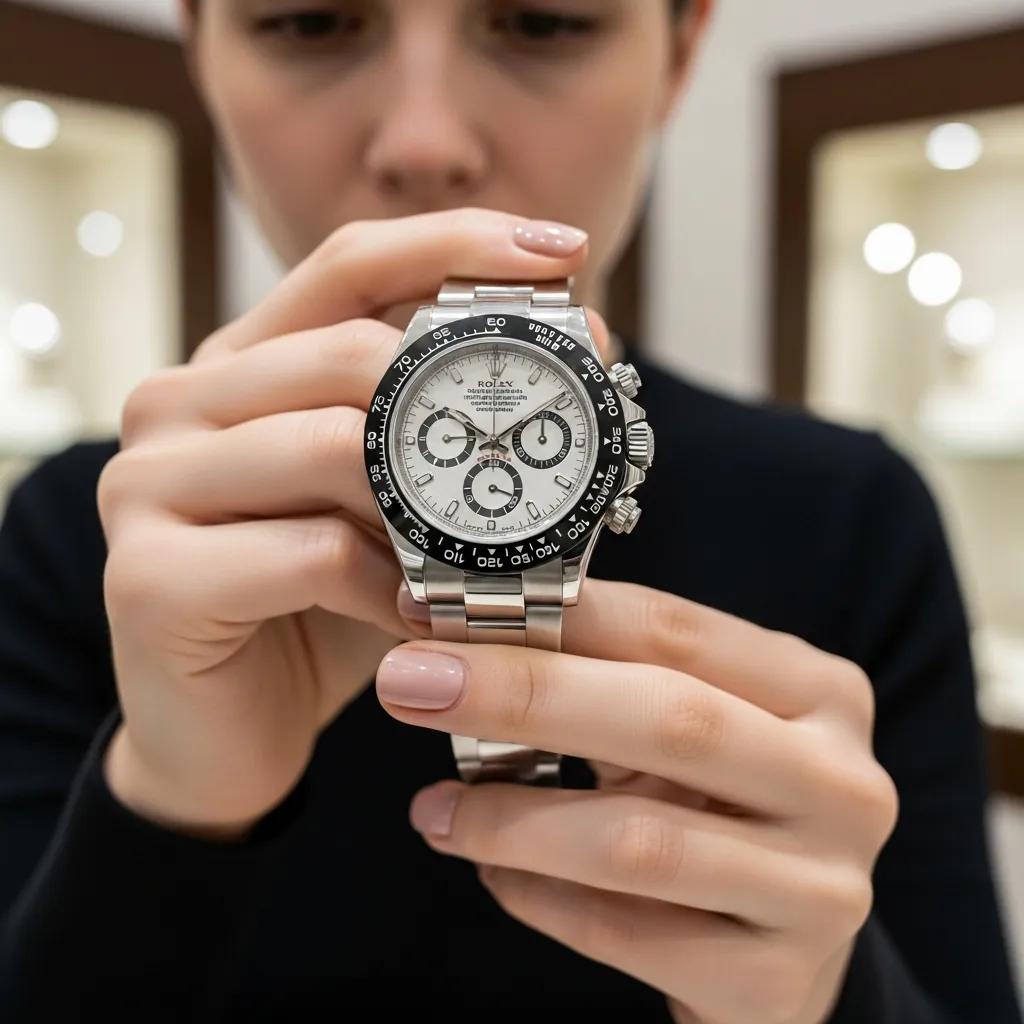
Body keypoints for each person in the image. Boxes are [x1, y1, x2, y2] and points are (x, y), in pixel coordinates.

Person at [0, 0, 1020, 1020]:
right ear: (199, 49)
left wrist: (826, 995)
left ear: (680, 51)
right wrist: (166, 802)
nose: (425, 144)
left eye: (543, 22)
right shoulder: (69, 532)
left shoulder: (854, 520)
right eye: (309, 23)